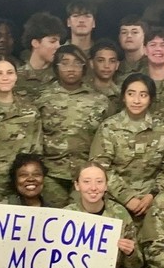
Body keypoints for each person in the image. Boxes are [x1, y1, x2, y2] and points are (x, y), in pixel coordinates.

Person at [90, 73, 164, 219]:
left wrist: (152, 196)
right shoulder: (109, 127)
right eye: (131, 94)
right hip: (115, 200)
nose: (136, 100)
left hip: (155, 200)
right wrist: (127, 198)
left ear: (150, 99)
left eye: (143, 95)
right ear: (124, 97)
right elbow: (101, 169)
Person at [36, 44, 110, 207]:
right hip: (51, 174)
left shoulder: (99, 100)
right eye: (65, 62)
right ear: (56, 67)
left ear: (84, 67)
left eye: (77, 63)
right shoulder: (42, 98)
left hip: (86, 175)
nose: (71, 68)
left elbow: (107, 140)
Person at [0, 56, 42, 204]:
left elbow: (36, 152)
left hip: (18, 188)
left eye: (9, 72)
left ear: (16, 76)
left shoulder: (30, 110)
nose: (5, 77)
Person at [17, 12, 65, 98]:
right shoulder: (15, 77)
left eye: (59, 42)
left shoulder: (62, 75)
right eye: (52, 41)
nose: (58, 46)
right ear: (35, 43)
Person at [87, 39, 124, 114]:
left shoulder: (123, 96)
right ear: (91, 63)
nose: (107, 66)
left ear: (117, 65)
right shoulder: (82, 91)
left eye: (112, 61)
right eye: (101, 60)